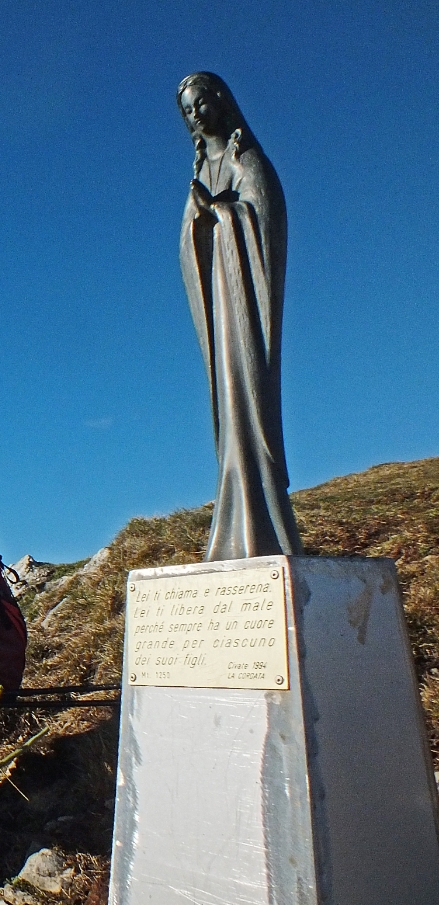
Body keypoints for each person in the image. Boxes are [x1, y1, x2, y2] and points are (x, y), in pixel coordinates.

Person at [177, 72, 303, 560]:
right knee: (226, 404)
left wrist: (224, 216)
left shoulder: (245, 159)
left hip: (243, 309)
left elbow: (264, 219)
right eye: (187, 109)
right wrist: (197, 222)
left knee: (250, 401)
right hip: (219, 309)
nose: (195, 114)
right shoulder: (200, 169)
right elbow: (187, 244)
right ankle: (233, 515)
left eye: (201, 102)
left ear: (221, 102)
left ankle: (265, 519)